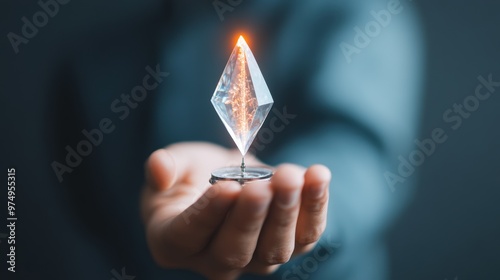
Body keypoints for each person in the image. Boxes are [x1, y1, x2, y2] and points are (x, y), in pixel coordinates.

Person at [3, 1, 423, 279]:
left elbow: (355, 154)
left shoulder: (354, 14)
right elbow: (95, 212)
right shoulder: (91, 63)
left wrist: (291, 206)